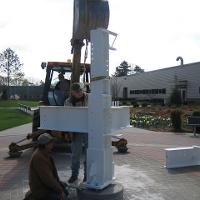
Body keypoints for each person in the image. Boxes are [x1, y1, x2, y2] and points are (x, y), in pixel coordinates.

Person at [28, 133, 68, 200]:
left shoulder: (45, 153)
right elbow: (48, 179)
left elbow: (52, 176)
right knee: (60, 196)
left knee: (65, 188)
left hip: (46, 187)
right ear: (45, 145)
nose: (53, 144)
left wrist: (59, 184)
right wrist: (60, 190)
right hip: (41, 190)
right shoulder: (39, 157)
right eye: (51, 143)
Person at [64, 83, 88, 183]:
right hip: (76, 131)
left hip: (89, 129)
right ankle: (74, 175)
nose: (79, 94)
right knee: (75, 154)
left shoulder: (90, 98)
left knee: (89, 153)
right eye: (76, 92)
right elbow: (66, 117)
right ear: (72, 92)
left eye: (80, 91)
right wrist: (67, 132)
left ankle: (87, 175)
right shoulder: (68, 102)